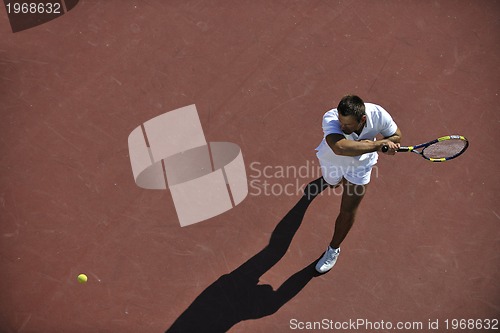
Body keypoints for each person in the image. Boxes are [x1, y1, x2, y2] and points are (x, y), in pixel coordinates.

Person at [314, 95, 402, 273]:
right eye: (340, 121)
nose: (342, 127)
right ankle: (337, 180)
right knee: (332, 184)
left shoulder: (378, 114)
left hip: (361, 166)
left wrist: (389, 143)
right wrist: (378, 145)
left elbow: (396, 136)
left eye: (347, 125)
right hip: (333, 159)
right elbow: (340, 147)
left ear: (362, 119)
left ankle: (333, 249)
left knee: (347, 211)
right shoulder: (330, 117)